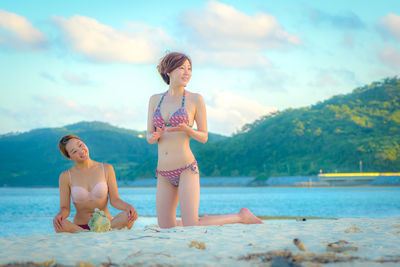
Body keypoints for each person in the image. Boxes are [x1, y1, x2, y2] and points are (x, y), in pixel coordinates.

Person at [147, 52, 263, 228]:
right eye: (181, 68)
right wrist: (154, 136)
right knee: (165, 229)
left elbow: (204, 136)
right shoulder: (155, 100)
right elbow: (149, 136)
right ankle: (206, 220)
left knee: (191, 226)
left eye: (189, 69)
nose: (187, 73)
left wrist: (188, 130)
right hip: (163, 172)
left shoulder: (195, 99)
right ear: (168, 71)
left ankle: (241, 216)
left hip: (186, 168)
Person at [53, 134, 138, 233]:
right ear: (69, 157)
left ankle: (94, 234)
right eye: (74, 151)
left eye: (80, 145)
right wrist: (60, 216)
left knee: (128, 216)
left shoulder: (106, 169)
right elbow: (65, 208)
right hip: (80, 227)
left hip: (106, 224)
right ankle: (87, 234)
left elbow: (115, 200)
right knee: (60, 224)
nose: (81, 151)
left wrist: (129, 207)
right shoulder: (66, 176)